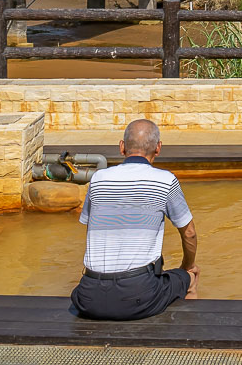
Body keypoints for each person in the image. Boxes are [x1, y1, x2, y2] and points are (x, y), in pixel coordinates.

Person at [70, 119, 199, 320]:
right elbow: (189, 233)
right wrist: (187, 266)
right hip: (137, 297)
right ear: (158, 148)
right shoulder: (165, 181)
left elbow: (90, 228)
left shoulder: (98, 179)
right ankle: (189, 333)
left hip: (88, 297)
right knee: (189, 277)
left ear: (122, 147)